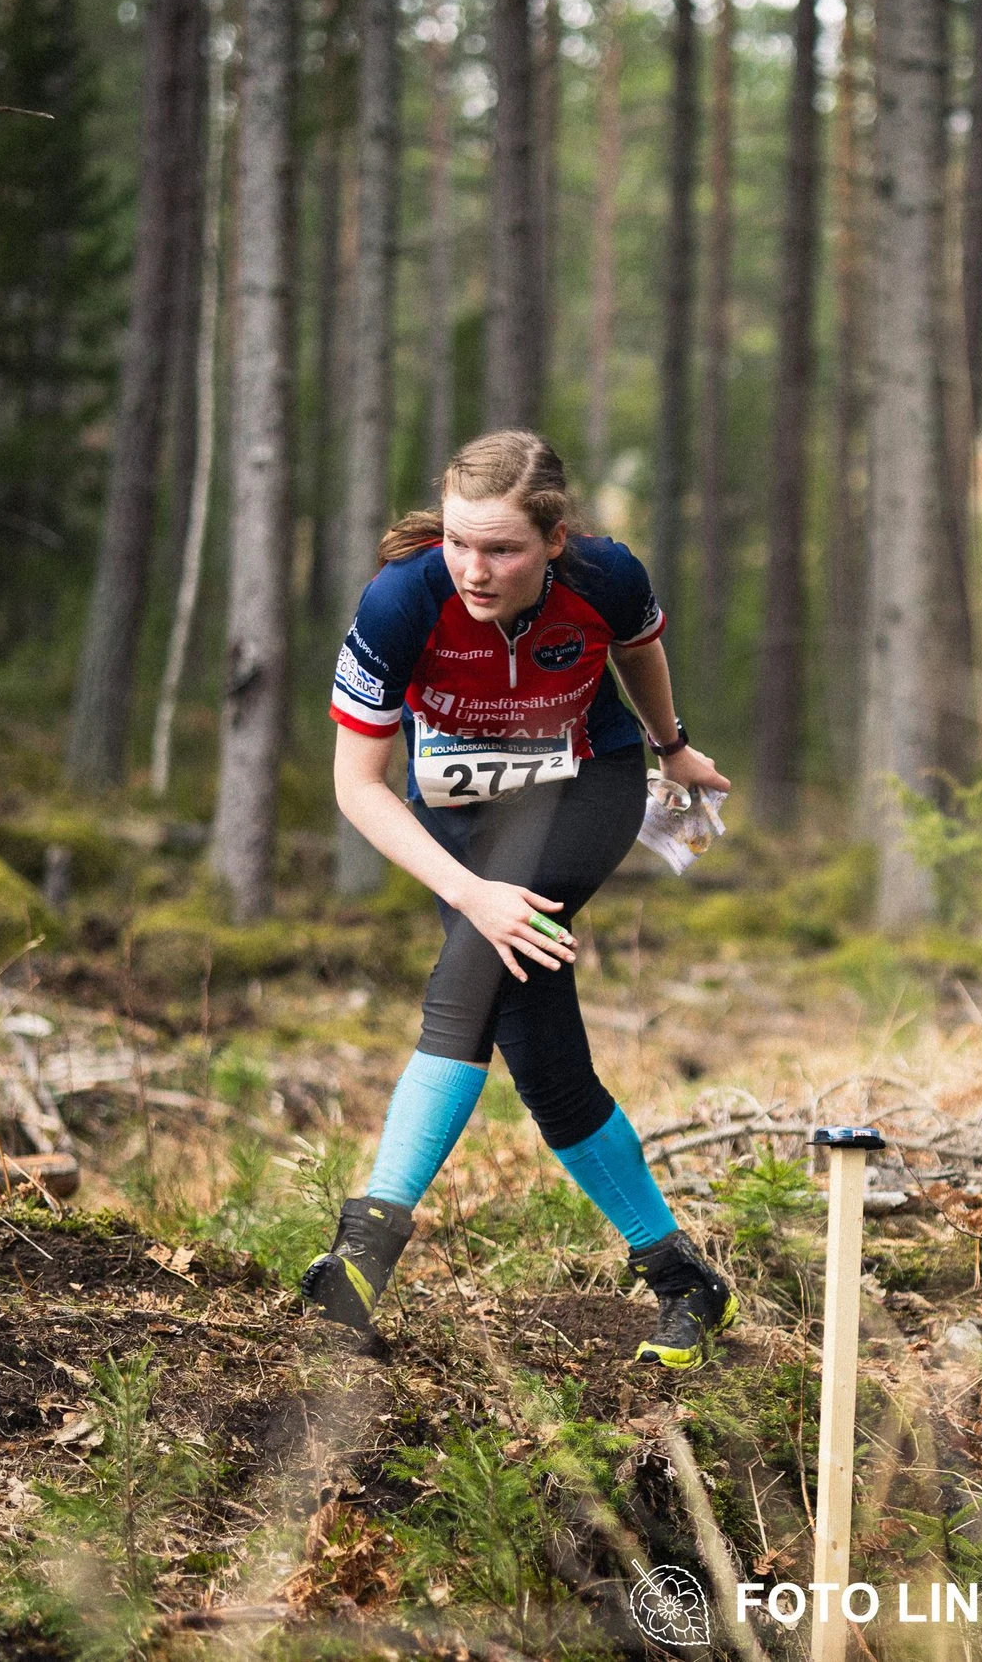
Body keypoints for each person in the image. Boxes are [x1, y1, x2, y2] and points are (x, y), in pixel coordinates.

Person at [301, 428, 740, 1368]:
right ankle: (683, 1282)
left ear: (553, 539)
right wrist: (472, 891)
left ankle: (362, 1255)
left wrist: (671, 746)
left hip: (589, 785)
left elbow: (639, 649)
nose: (473, 567)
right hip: (464, 824)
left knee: (469, 979)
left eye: (500, 548)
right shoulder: (399, 602)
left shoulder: (606, 575)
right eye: (459, 541)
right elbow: (357, 787)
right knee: (545, 1065)